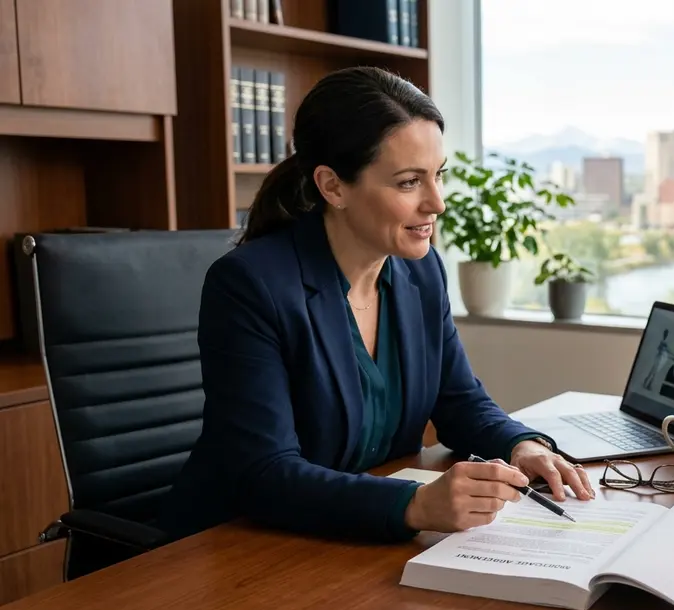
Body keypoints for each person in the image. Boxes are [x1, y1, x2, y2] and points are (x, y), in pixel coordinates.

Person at [156, 66, 593, 543]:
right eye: (409, 182)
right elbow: (264, 474)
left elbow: (459, 400)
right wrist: (415, 504)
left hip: (345, 543)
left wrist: (519, 444)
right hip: (231, 548)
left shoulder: (420, 271)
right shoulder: (250, 285)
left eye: (437, 176)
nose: (437, 203)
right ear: (333, 186)